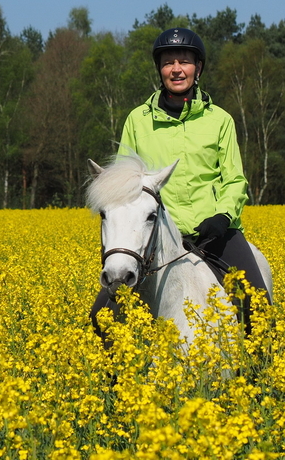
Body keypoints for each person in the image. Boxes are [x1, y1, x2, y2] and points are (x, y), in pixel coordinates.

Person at [90, 27, 269, 338]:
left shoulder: (220, 120)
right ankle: (116, 384)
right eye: (168, 62)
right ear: (160, 70)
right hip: (154, 238)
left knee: (258, 305)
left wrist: (223, 217)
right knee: (101, 317)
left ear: (197, 68)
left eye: (184, 61)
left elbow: (234, 179)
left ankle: (264, 378)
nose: (176, 69)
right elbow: (121, 185)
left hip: (215, 234)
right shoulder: (137, 120)